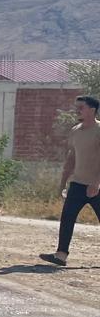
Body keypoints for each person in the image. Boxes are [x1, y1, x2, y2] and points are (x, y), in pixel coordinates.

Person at [39, 94, 100, 267]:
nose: (77, 110)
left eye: (81, 107)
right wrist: (63, 182)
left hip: (96, 185)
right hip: (77, 183)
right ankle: (61, 255)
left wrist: (97, 182)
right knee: (67, 218)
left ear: (92, 110)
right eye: (76, 107)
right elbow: (71, 158)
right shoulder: (75, 131)